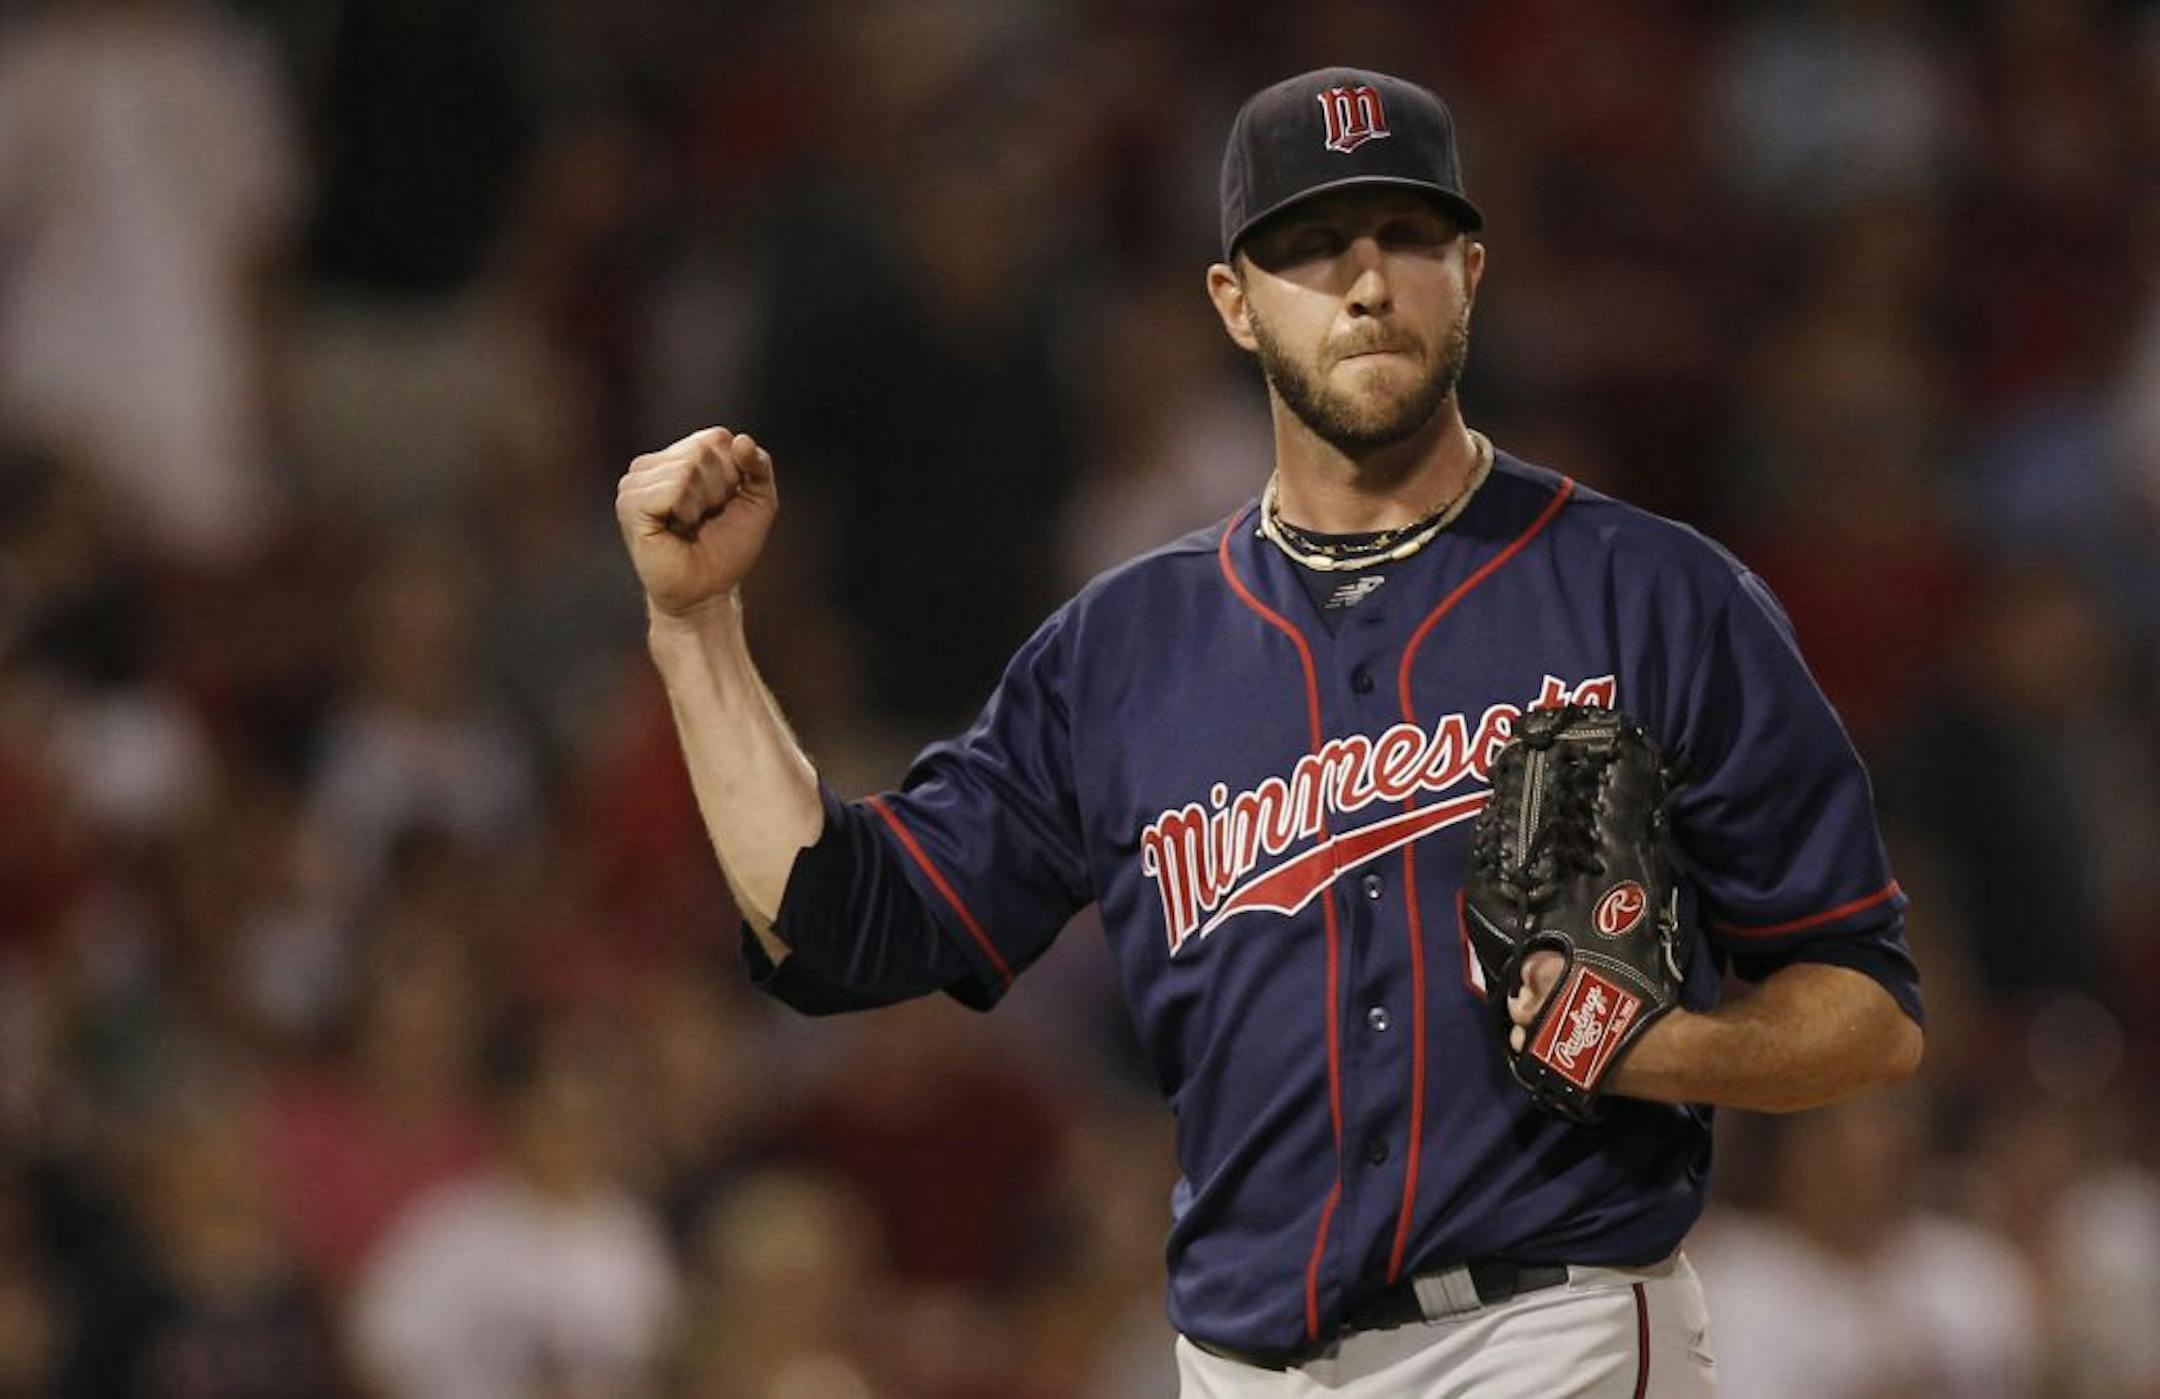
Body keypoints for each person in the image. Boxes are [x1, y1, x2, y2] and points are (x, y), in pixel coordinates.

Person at [614, 66, 1924, 1397]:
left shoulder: (1650, 596)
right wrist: (699, 626)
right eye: (1309, 247)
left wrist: (1669, 1050)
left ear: (1471, 270)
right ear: (1233, 304)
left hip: (1547, 1333)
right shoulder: (1122, 653)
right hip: (1241, 1368)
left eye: (1405, 238)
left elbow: (1867, 1004)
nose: (1366, 283)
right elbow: (838, 924)